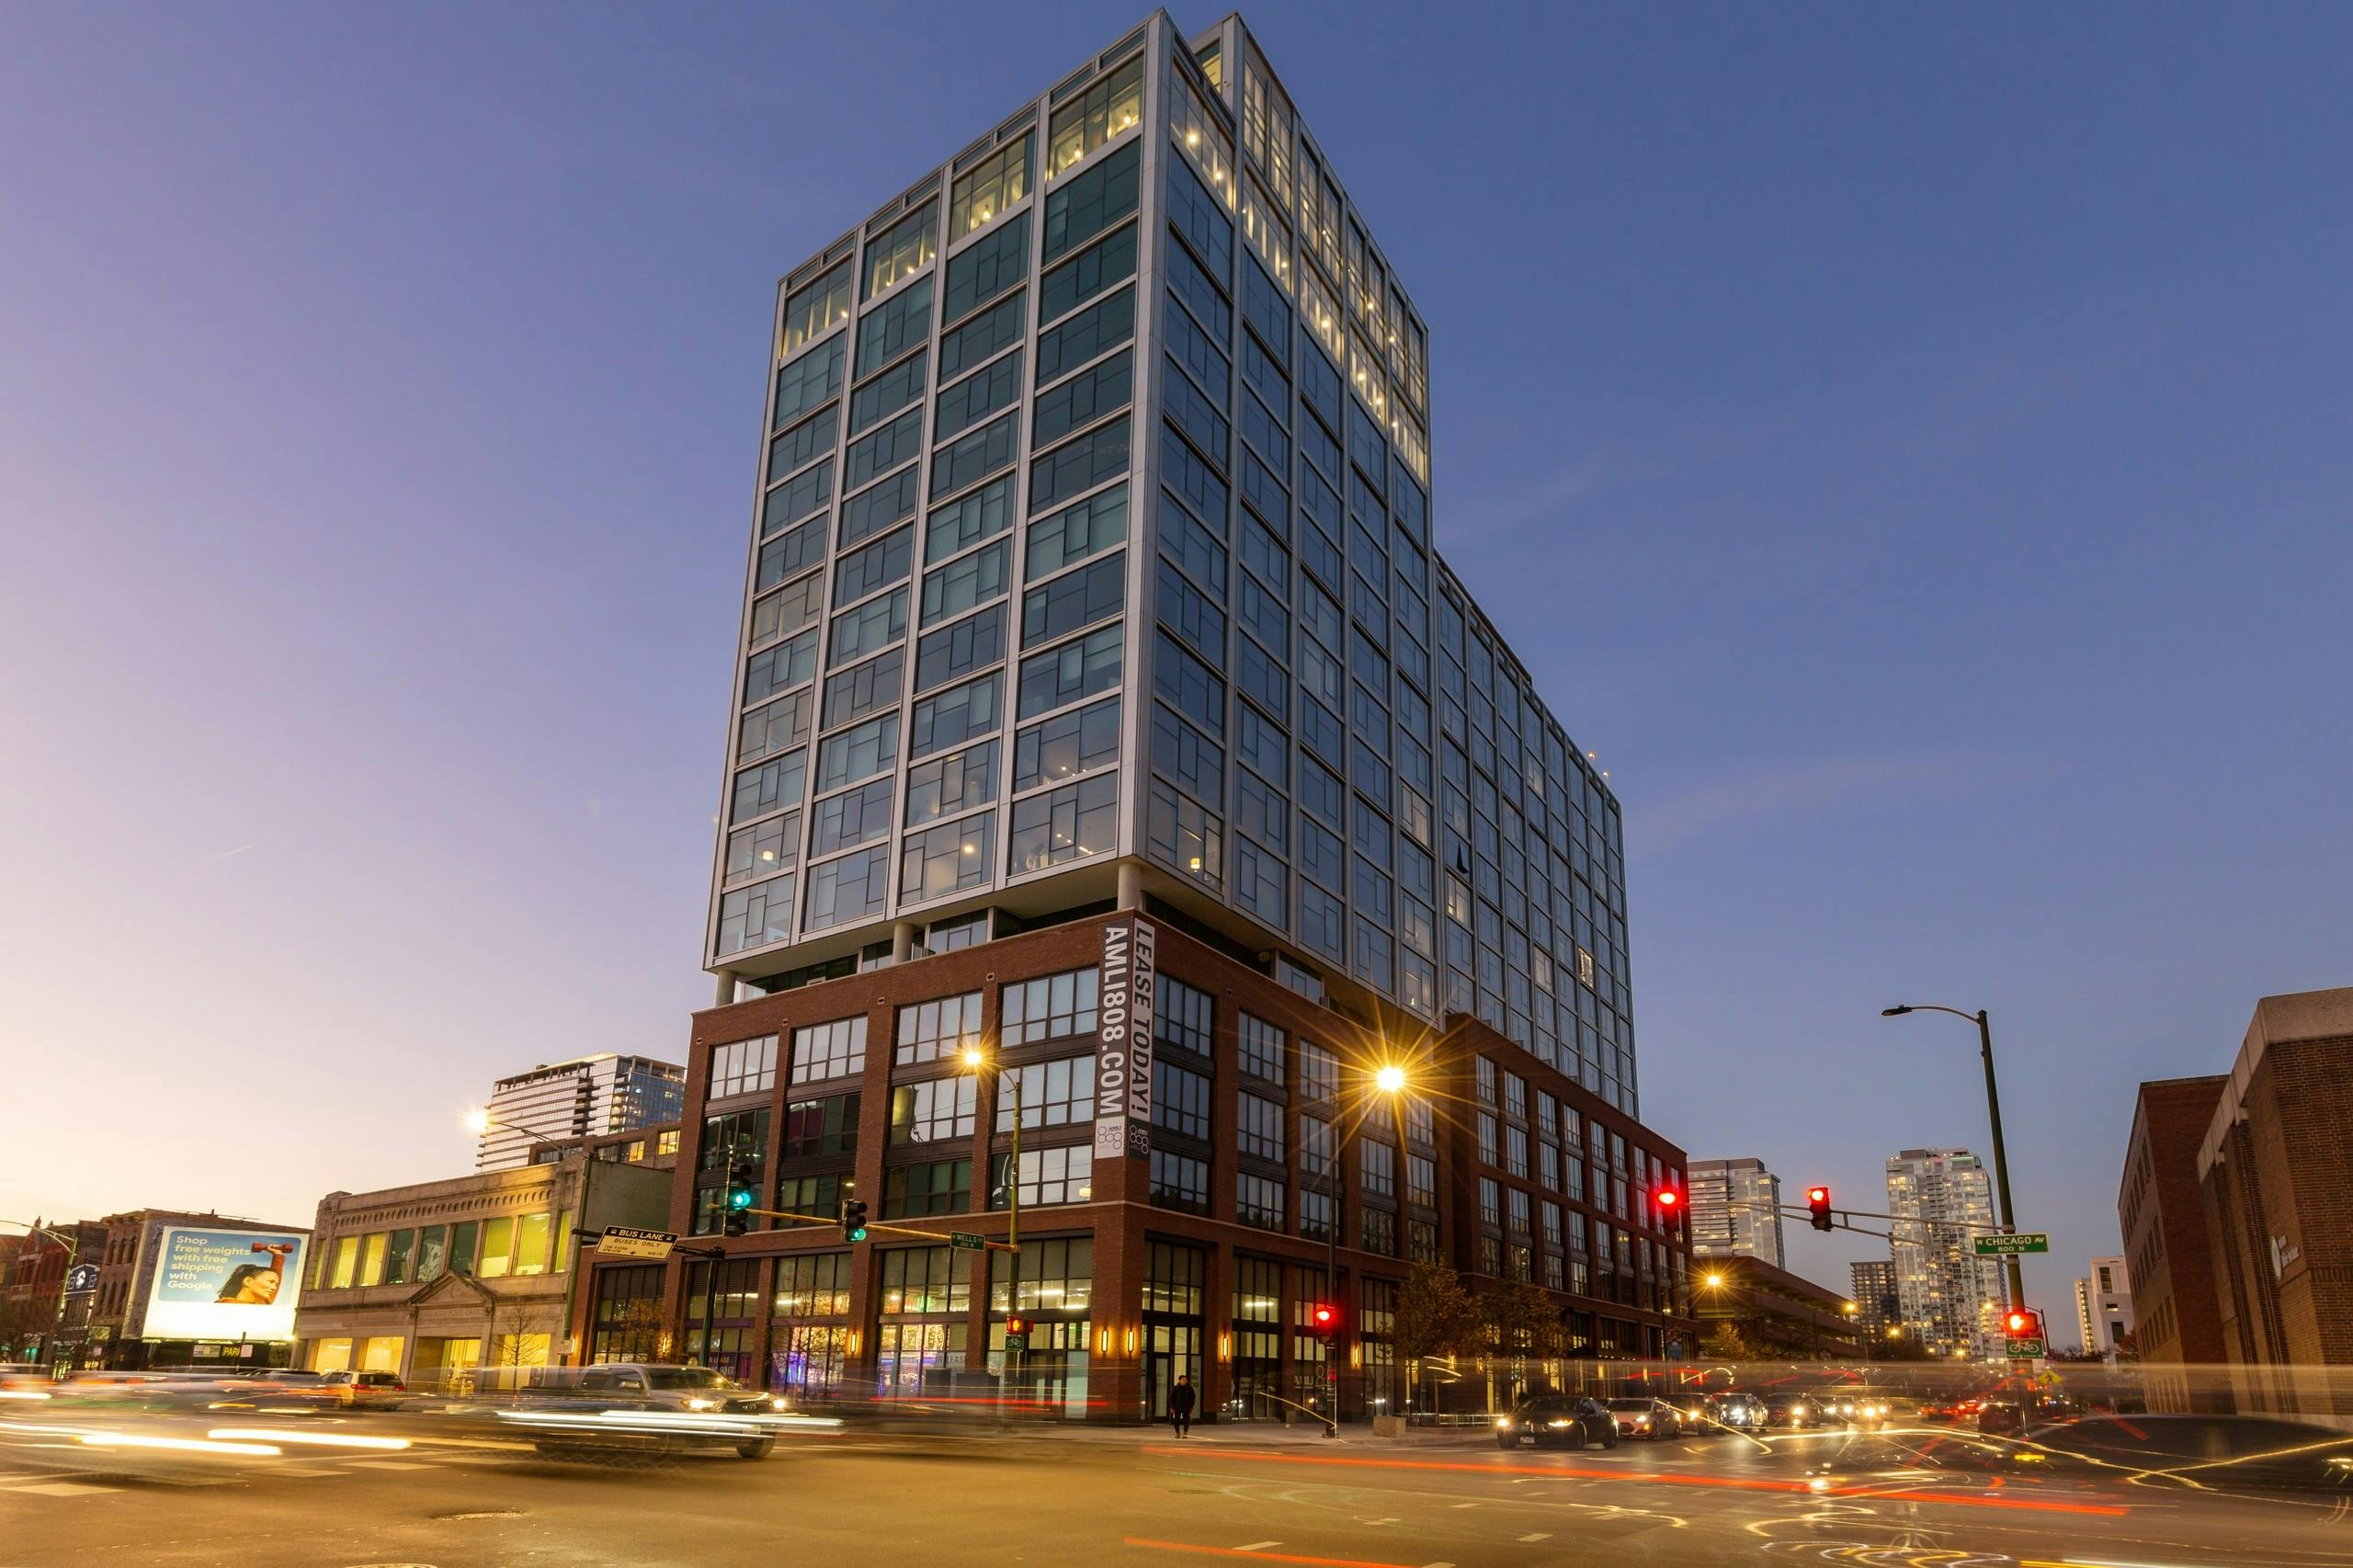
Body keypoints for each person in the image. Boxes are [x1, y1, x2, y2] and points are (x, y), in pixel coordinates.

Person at [1169, 1373, 1197, 1439]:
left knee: (1186, 1420)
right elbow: (1171, 1398)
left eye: (1186, 1379)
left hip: (1186, 1406)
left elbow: (1193, 1397)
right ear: (1180, 1381)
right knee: (1176, 1420)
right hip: (1177, 1406)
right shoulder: (1176, 1388)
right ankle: (1177, 1433)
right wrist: (1172, 1406)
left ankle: (1185, 1433)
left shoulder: (1189, 1388)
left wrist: (1191, 1406)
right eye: (1183, 1379)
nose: (1185, 1381)